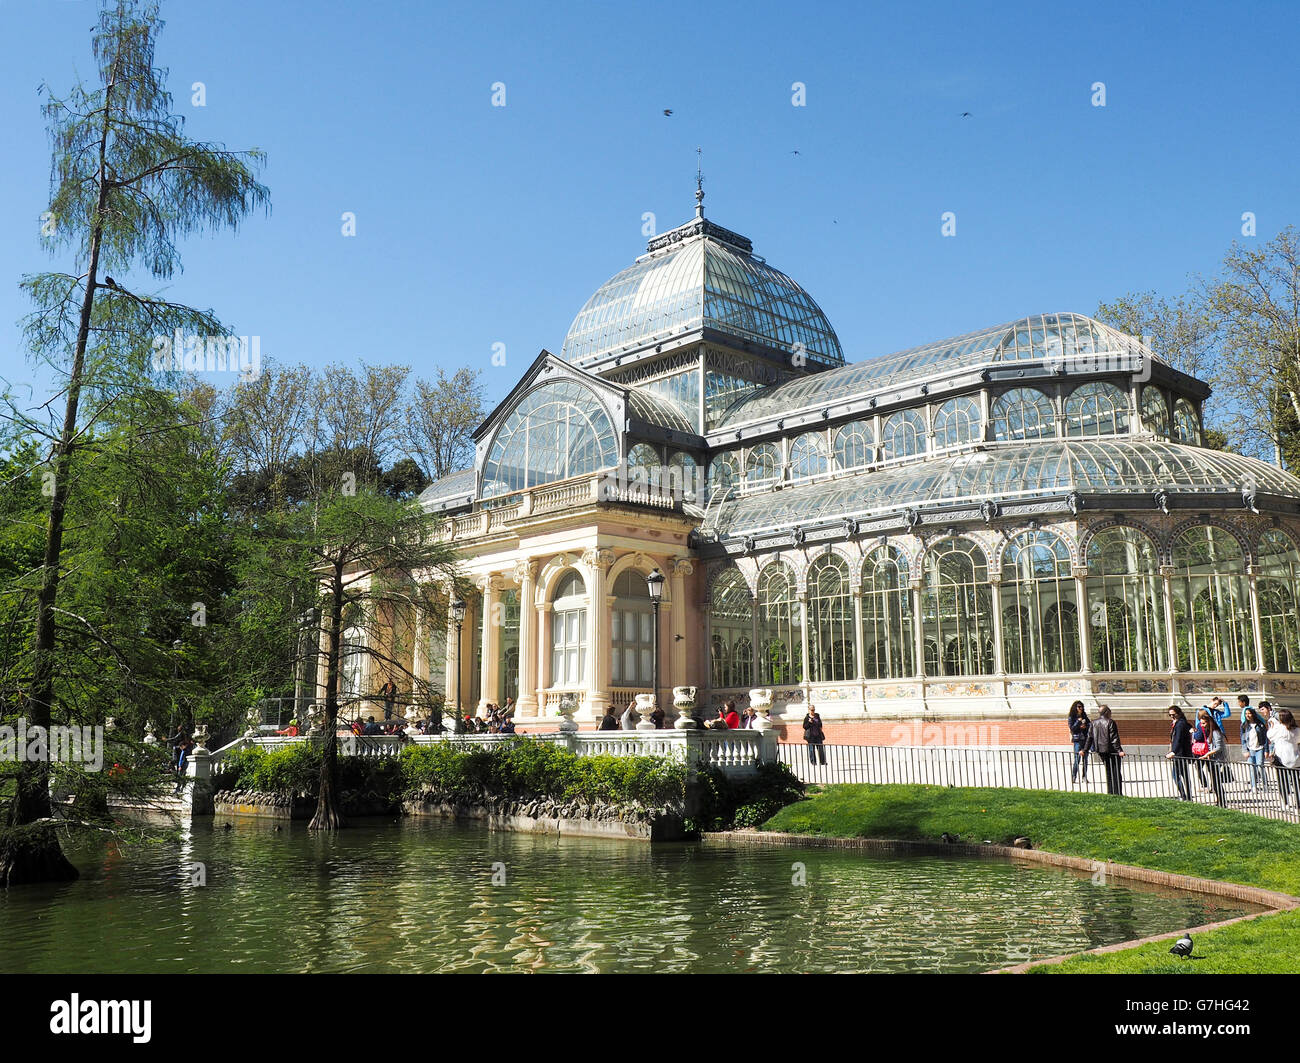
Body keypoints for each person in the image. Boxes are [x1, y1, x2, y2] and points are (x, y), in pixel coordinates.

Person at [1081, 704, 1125, 795]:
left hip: (1100, 750)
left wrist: (1085, 750)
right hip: (1111, 750)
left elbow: (1089, 738)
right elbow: (1114, 738)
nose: (1111, 713)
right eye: (1110, 711)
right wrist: (1119, 750)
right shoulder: (1110, 722)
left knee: (1108, 772)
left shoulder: (1093, 723)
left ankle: (1110, 792)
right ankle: (1117, 793)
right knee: (1116, 772)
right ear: (1107, 712)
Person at [1267, 709, 1300, 808]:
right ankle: (1298, 803)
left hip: (1281, 758)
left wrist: (1272, 726)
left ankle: (1285, 802)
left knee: (1283, 781)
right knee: (1296, 782)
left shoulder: (1278, 729)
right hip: (1295, 758)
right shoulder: (1297, 730)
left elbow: (1270, 736)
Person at [1196, 708, 1229, 807]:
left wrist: (1207, 754)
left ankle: (1222, 801)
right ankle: (1219, 801)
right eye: (1201, 723)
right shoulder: (1208, 733)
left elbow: (1219, 747)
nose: (1202, 725)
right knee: (1215, 782)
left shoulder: (1215, 732)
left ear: (1209, 723)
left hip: (1217, 760)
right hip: (1212, 759)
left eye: (1204, 723)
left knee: (1217, 782)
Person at [1165, 705, 1193, 800]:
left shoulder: (1180, 724)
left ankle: (1185, 796)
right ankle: (1187, 796)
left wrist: (1173, 751)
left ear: (1179, 713)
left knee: (1176, 775)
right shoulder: (1179, 723)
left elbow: (1178, 739)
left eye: (1173, 714)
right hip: (1181, 753)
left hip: (1180, 754)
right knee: (1184, 776)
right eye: (1170, 715)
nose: (1172, 717)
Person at [1242, 707, 1269, 793]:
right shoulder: (1244, 726)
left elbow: (1265, 738)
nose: (1247, 715)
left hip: (1259, 748)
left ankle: (1265, 785)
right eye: (1246, 714)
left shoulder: (1260, 725)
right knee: (1251, 768)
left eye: (1249, 713)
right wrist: (1245, 750)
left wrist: (1266, 750)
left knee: (1260, 766)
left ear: (1253, 714)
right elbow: (1242, 739)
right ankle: (1254, 786)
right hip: (1250, 749)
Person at [1067, 701, 1090, 784]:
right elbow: (1072, 728)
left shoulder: (1084, 716)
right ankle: (1074, 776)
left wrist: (1085, 726)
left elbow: (1089, 724)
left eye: (1082, 707)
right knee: (1077, 758)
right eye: (1079, 707)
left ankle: (1084, 776)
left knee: (1085, 759)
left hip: (1085, 739)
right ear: (1075, 708)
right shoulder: (1071, 717)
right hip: (1077, 740)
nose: (1081, 709)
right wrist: (1078, 722)